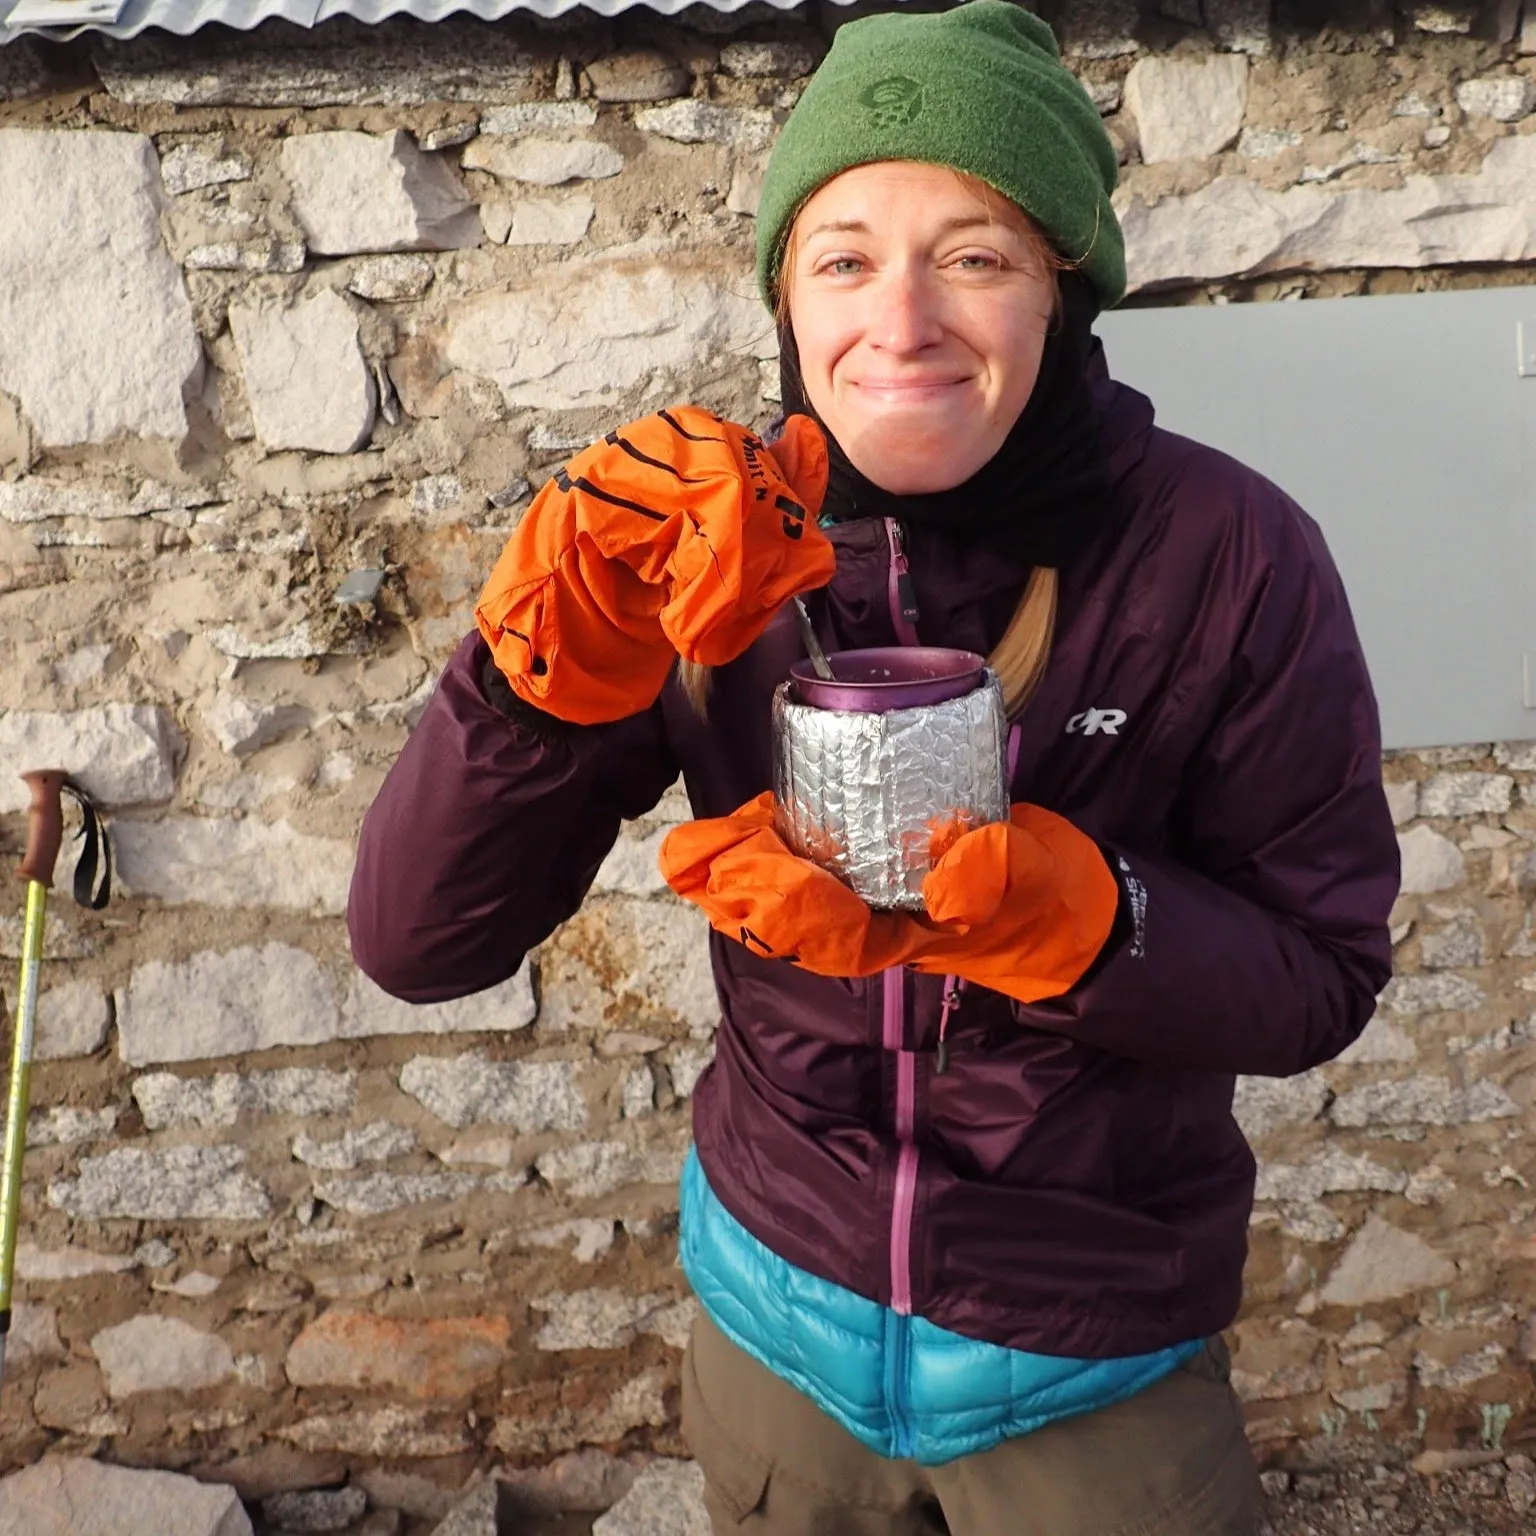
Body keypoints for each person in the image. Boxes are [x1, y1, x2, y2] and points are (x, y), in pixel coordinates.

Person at [348, 5, 1400, 1532]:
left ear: (1066, 290)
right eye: (842, 257)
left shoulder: (1230, 555)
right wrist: (541, 677)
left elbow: (1323, 975)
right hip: (775, 1338)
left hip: (1091, 1366)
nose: (899, 320)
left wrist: (1089, 922)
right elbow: (418, 945)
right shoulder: (696, 545)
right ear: (788, 300)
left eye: (973, 254)